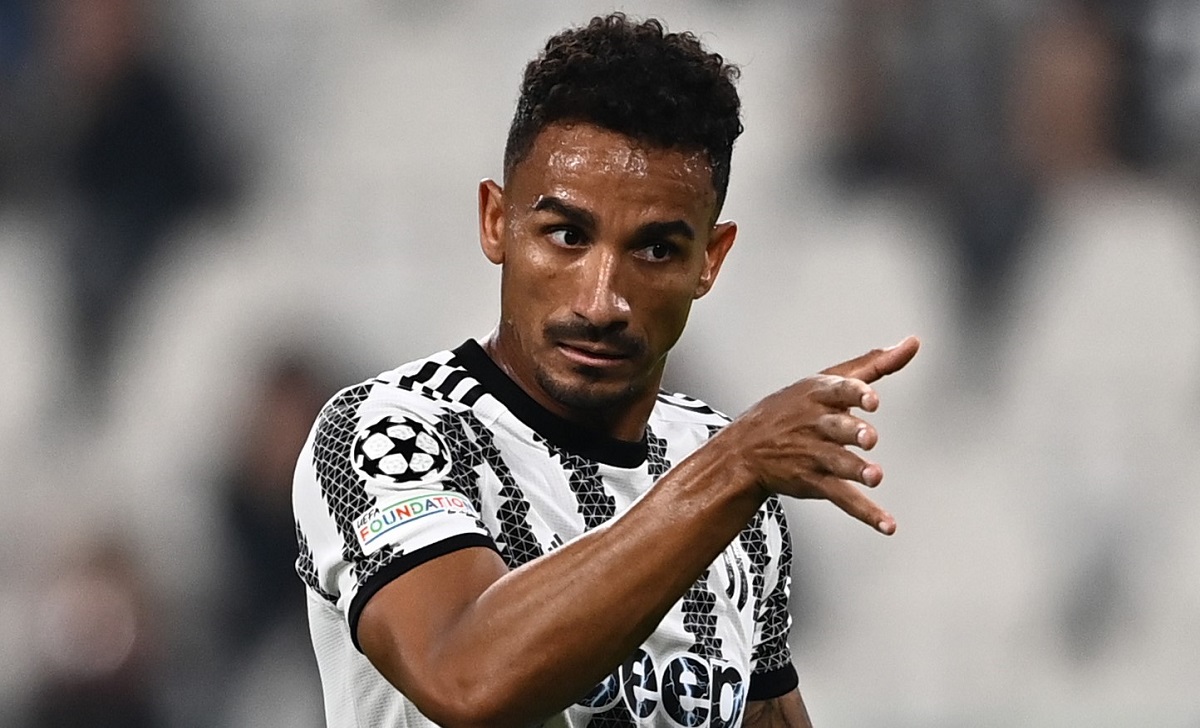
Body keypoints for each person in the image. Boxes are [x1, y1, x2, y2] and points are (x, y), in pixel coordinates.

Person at [292, 13, 919, 728]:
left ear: (709, 261)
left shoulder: (724, 479)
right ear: (496, 221)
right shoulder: (386, 432)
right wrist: (733, 468)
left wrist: (731, 469)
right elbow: (465, 679)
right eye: (567, 235)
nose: (602, 303)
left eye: (655, 250)